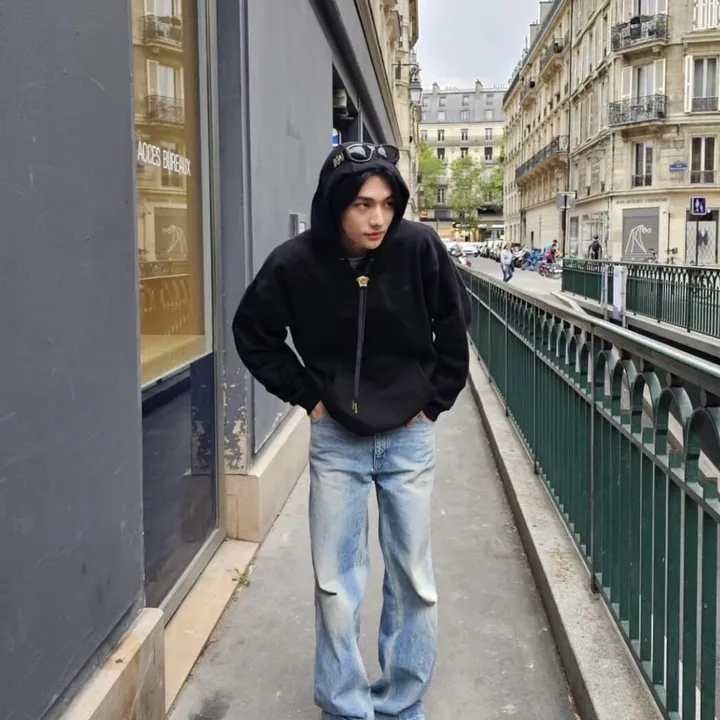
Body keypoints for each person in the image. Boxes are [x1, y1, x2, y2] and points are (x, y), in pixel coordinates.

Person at [232, 142, 470, 720]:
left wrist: (433, 402)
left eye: (387, 203)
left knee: (412, 580)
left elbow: (454, 324)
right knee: (336, 585)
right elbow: (253, 333)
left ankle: (401, 702)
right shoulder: (295, 263)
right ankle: (344, 707)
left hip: (408, 439)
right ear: (336, 203)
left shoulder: (419, 247)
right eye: (364, 204)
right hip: (337, 440)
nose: (378, 218)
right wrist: (309, 398)